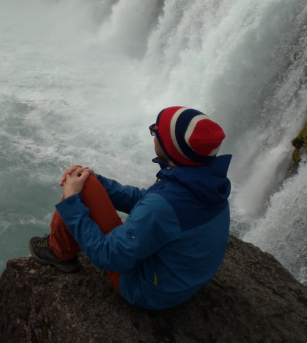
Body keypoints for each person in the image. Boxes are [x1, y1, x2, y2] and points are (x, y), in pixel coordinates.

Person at [29, 106, 231, 311]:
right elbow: (147, 200)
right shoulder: (207, 184)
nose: (153, 133)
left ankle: (59, 252)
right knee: (88, 183)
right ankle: (75, 211)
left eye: (155, 130)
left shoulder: (164, 204)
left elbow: (107, 256)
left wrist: (72, 199)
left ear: (171, 148)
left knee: (81, 189)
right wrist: (99, 182)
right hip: (180, 281)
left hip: (146, 290)